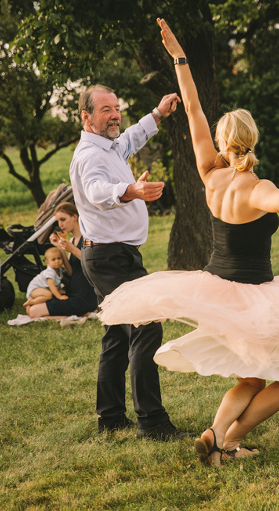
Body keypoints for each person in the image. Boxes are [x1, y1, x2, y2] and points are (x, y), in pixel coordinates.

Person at [98, 19, 279, 465]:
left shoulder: (210, 174)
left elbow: (192, 108)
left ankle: (220, 444)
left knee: (251, 378)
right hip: (254, 297)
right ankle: (220, 437)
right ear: (252, 141)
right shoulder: (257, 187)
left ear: (222, 142)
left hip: (219, 289)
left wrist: (180, 58)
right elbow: (278, 197)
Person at [70, 83, 194, 440]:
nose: (114, 115)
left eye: (116, 108)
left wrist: (158, 113)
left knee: (117, 335)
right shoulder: (89, 155)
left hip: (111, 254)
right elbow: (95, 191)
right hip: (110, 258)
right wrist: (131, 191)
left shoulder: (109, 146)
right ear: (86, 116)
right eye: (105, 110)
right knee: (146, 326)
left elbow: (130, 139)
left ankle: (110, 418)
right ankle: (152, 423)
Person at [27, 203, 98, 322]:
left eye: (63, 220)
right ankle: (75, 316)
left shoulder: (88, 238)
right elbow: (71, 272)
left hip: (84, 296)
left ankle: (75, 318)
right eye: (58, 221)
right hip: (72, 292)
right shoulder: (71, 240)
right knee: (30, 309)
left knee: (33, 312)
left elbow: (94, 264)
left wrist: (73, 249)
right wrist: (60, 247)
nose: (60, 225)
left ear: (74, 217)